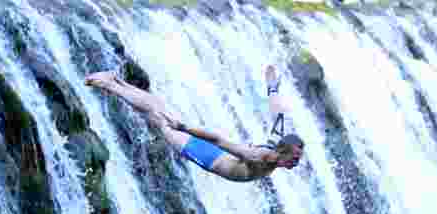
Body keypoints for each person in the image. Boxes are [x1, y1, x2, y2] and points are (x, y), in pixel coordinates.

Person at [85, 64, 304, 182]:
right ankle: (109, 85)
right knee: (157, 119)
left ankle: (115, 79)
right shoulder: (257, 157)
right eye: (294, 158)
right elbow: (218, 139)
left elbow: (278, 112)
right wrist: (183, 128)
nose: (296, 163)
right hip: (207, 156)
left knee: (158, 108)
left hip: (217, 155)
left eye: (298, 159)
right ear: (282, 152)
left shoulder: (276, 143)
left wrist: (272, 86)